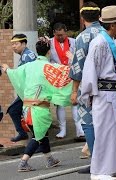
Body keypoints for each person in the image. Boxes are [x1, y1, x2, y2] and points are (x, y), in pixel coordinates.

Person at [2, 37, 72, 172]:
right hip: (39, 108)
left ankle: (50, 159)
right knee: (38, 136)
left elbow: (15, 74)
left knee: (41, 133)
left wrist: (7, 70)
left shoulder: (28, 66)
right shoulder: (50, 67)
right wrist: (74, 59)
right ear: (49, 52)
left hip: (26, 108)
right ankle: (23, 162)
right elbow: (67, 73)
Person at [80, 5, 116, 180]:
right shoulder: (99, 42)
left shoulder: (107, 40)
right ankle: (100, 171)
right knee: (104, 132)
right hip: (102, 92)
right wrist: (88, 93)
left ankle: (115, 167)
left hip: (112, 92)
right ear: (114, 25)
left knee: (115, 132)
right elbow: (90, 69)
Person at [69, 1, 102, 174]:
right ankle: (107, 161)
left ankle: (95, 162)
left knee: (88, 122)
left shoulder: (83, 37)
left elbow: (77, 65)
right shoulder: (105, 33)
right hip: (107, 87)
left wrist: (74, 90)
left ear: (82, 18)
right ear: (99, 16)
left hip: (88, 87)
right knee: (103, 124)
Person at [50, 22, 84, 139]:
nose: (60, 37)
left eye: (62, 35)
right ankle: (62, 129)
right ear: (54, 33)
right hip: (58, 78)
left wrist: (72, 58)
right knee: (60, 104)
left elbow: (81, 58)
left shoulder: (74, 42)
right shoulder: (49, 43)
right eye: (58, 35)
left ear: (66, 32)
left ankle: (79, 129)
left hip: (72, 76)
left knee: (75, 103)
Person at [7, 34, 37, 142]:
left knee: (16, 111)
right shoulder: (25, 55)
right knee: (15, 111)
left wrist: (9, 71)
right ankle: (31, 137)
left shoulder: (27, 56)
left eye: (16, 44)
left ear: (24, 44)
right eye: (12, 44)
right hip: (26, 91)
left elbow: (29, 74)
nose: (14, 46)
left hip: (30, 91)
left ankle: (36, 140)